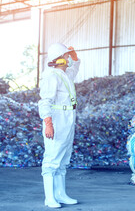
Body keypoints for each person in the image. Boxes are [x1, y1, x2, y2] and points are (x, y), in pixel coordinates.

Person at [38, 43, 80, 208]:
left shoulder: (65, 74)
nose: (69, 59)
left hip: (68, 117)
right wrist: (48, 123)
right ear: (59, 58)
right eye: (67, 56)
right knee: (52, 158)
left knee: (63, 158)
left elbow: (75, 68)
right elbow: (44, 101)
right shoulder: (51, 76)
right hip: (57, 118)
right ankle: (49, 198)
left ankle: (61, 194)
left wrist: (74, 56)